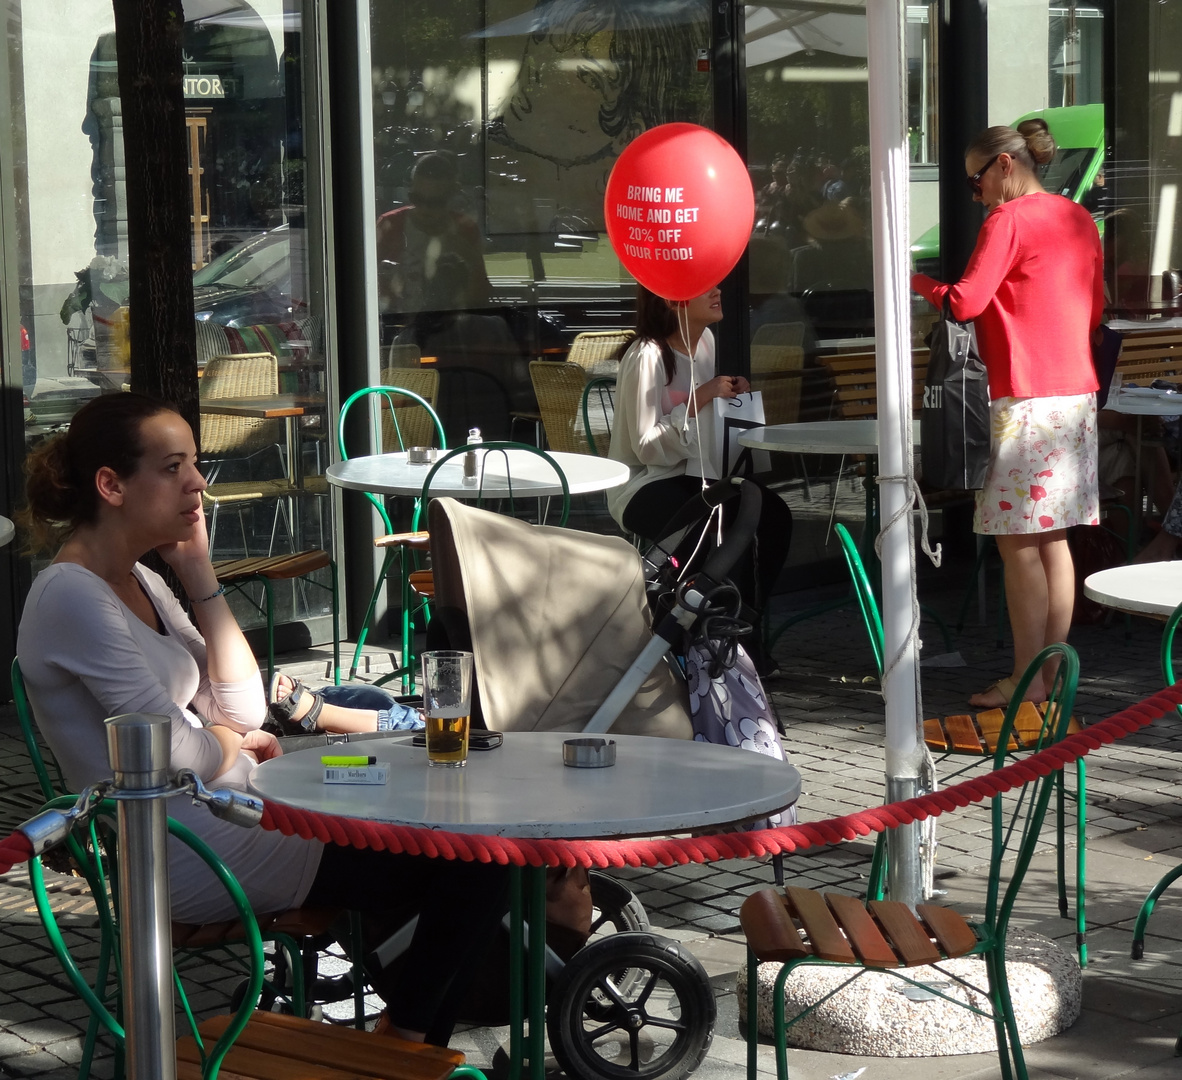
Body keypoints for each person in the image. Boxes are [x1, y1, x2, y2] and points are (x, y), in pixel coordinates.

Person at [15, 392, 507, 1046]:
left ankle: (405, 1037)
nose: (197, 482)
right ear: (111, 485)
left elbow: (243, 707)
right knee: (484, 857)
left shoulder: (144, 578)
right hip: (194, 851)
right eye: (171, 468)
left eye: (193, 463)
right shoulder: (72, 595)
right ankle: (404, 1040)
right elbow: (177, 752)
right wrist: (225, 740)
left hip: (244, 808)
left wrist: (200, 575)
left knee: (460, 829)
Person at [912, 119, 1104, 708]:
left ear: (1003, 165)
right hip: (1075, 396)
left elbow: (965, 301)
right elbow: (1094, 310)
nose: (976, 194)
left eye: (976, 180)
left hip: (1023, 397)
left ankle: (1029, 681)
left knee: (1017, 544)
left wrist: (912, 280)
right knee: (1054, 542)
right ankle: (1051, 673)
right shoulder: (1076, 217)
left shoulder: (1008, 219)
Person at [607, 285, 793, 673]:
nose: (718, 290)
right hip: (645, 484)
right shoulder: (648, 355)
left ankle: (740, 631)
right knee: (715, 526)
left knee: (771, 514)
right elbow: (645, 447)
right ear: (673, 299)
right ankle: (699, 643)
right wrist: (702, 397)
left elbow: (704, 419)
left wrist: (727, 396)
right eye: (703, 286)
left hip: (702, 476)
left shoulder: (705, 341)